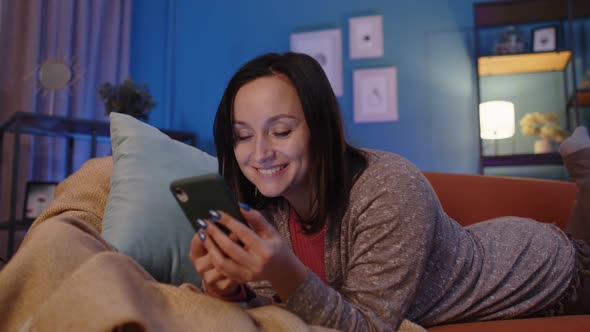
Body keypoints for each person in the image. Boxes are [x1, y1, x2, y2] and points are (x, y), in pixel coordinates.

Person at [189, 52, 590, 331]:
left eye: (281, 131)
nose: (259, 152)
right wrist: (233, 291)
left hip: (543, 271)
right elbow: (283, 314)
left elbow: (367, 325)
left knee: (579, 251)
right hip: (492, 246)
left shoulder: (390, 185)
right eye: (242, 136)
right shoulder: (268, 210)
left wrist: (283, 273)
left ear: (321, 130)